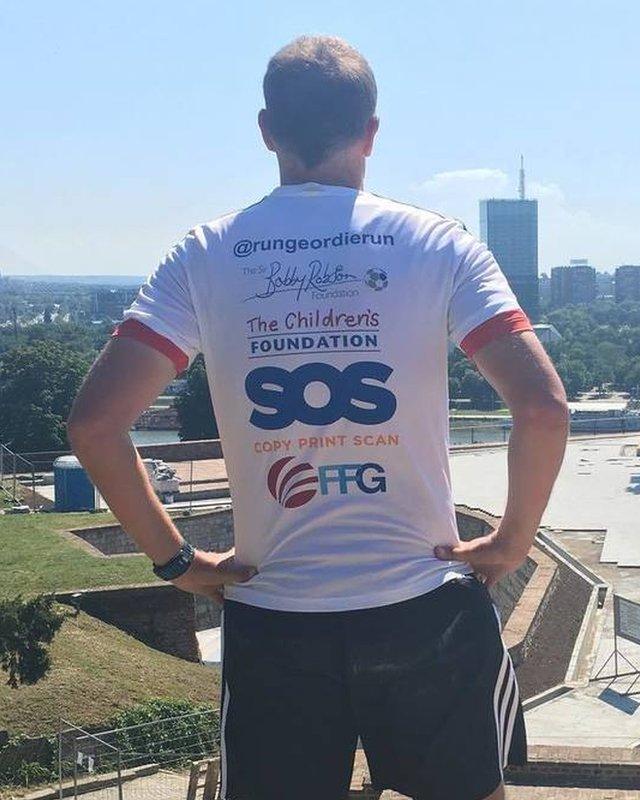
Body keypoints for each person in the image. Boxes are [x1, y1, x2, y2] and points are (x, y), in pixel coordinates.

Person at [68, 35, 568, 800]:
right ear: (371, 132)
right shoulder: (439, 245)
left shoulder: (203, 255)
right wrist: (511, 540)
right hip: (424, 605)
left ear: (267, 130)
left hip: (275, 616)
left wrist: (177, 563)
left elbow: (96, 427)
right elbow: (542, 407)